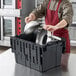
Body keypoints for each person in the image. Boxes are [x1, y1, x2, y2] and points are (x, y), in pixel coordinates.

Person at [25, 0, 73, 69]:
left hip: (61, 42)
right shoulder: (47, 2)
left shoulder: (66, 4)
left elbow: (67, 18)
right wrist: (31, 16)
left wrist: (56, 27)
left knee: (62, 68)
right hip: (48, 40)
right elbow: (38, 11)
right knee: (48, 66)